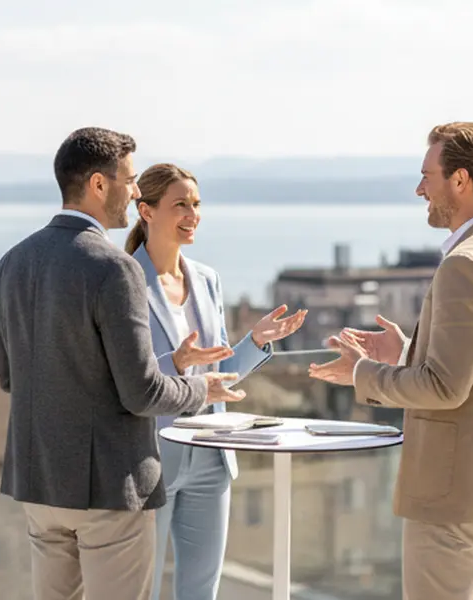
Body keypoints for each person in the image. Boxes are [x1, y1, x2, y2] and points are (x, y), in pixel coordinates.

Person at [0, 127, 248, 600]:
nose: (134, 192)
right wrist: (202, 390)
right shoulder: (114, 267)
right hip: (110, 487)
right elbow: (142, 392)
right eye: (129, 180)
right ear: (97, 184)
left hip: (38, 481)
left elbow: (10, 377)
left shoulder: (12, 262)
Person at [308, 122, 473, 600]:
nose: (419, 188)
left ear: (460, 181)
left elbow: (445, 388)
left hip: (456, 494)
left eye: (428, 176)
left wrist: (362, 372)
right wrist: (406, 353)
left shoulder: (467, 264)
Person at [123, 163, 306, 600]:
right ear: (146, 211)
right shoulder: (123, 277)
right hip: (152, 456)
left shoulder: (207, 279)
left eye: (197, 204)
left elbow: (220, 375)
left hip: (211, 457)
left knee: (202, 589)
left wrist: (256, 340)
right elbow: (126, 375)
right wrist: (176, 362)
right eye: (180, 204)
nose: (193, 214)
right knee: (138, 588)